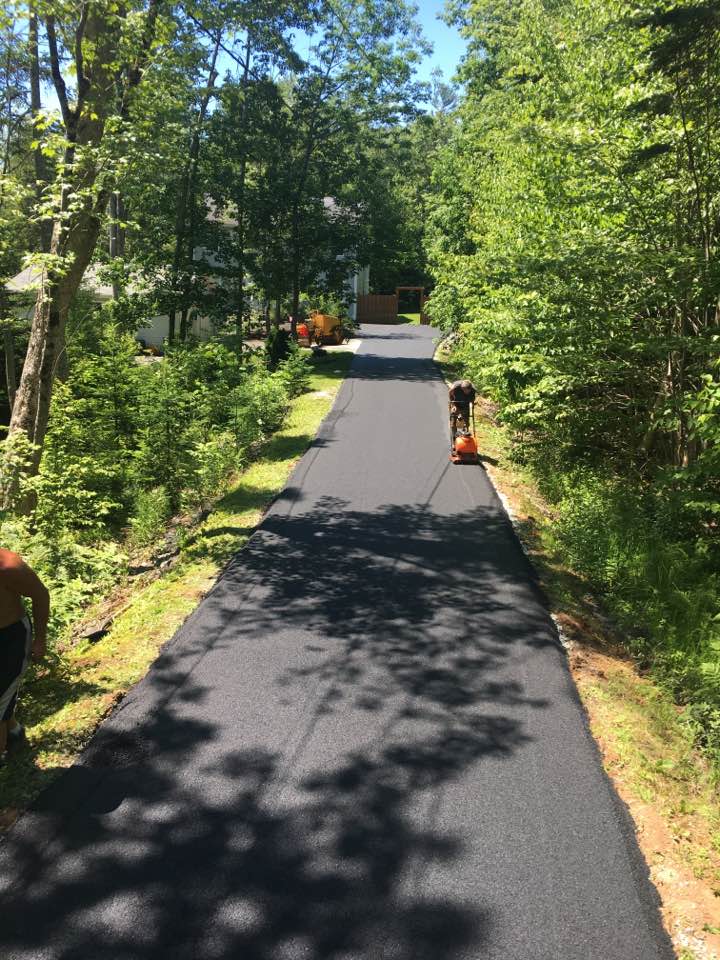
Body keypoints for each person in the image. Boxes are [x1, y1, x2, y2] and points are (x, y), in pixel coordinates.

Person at [0, 549, 49, 764]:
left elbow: (40, 595)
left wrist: (40, 639)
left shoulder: (8, 567)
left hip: (11, 640)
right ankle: (15, 733)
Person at [449, 379, 477, 443]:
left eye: (466, 390)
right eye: (463, 389)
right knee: (453, 423)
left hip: (465, 405)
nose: (464, 391)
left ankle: (465, 436)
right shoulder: (456, 386)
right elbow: (450, 393)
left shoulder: (473, 390)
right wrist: (453, 405)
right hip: (456, 404)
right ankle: (454, 439)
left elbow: (473, 399)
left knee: (467, 423)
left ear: (470, 389)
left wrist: (472, 404)